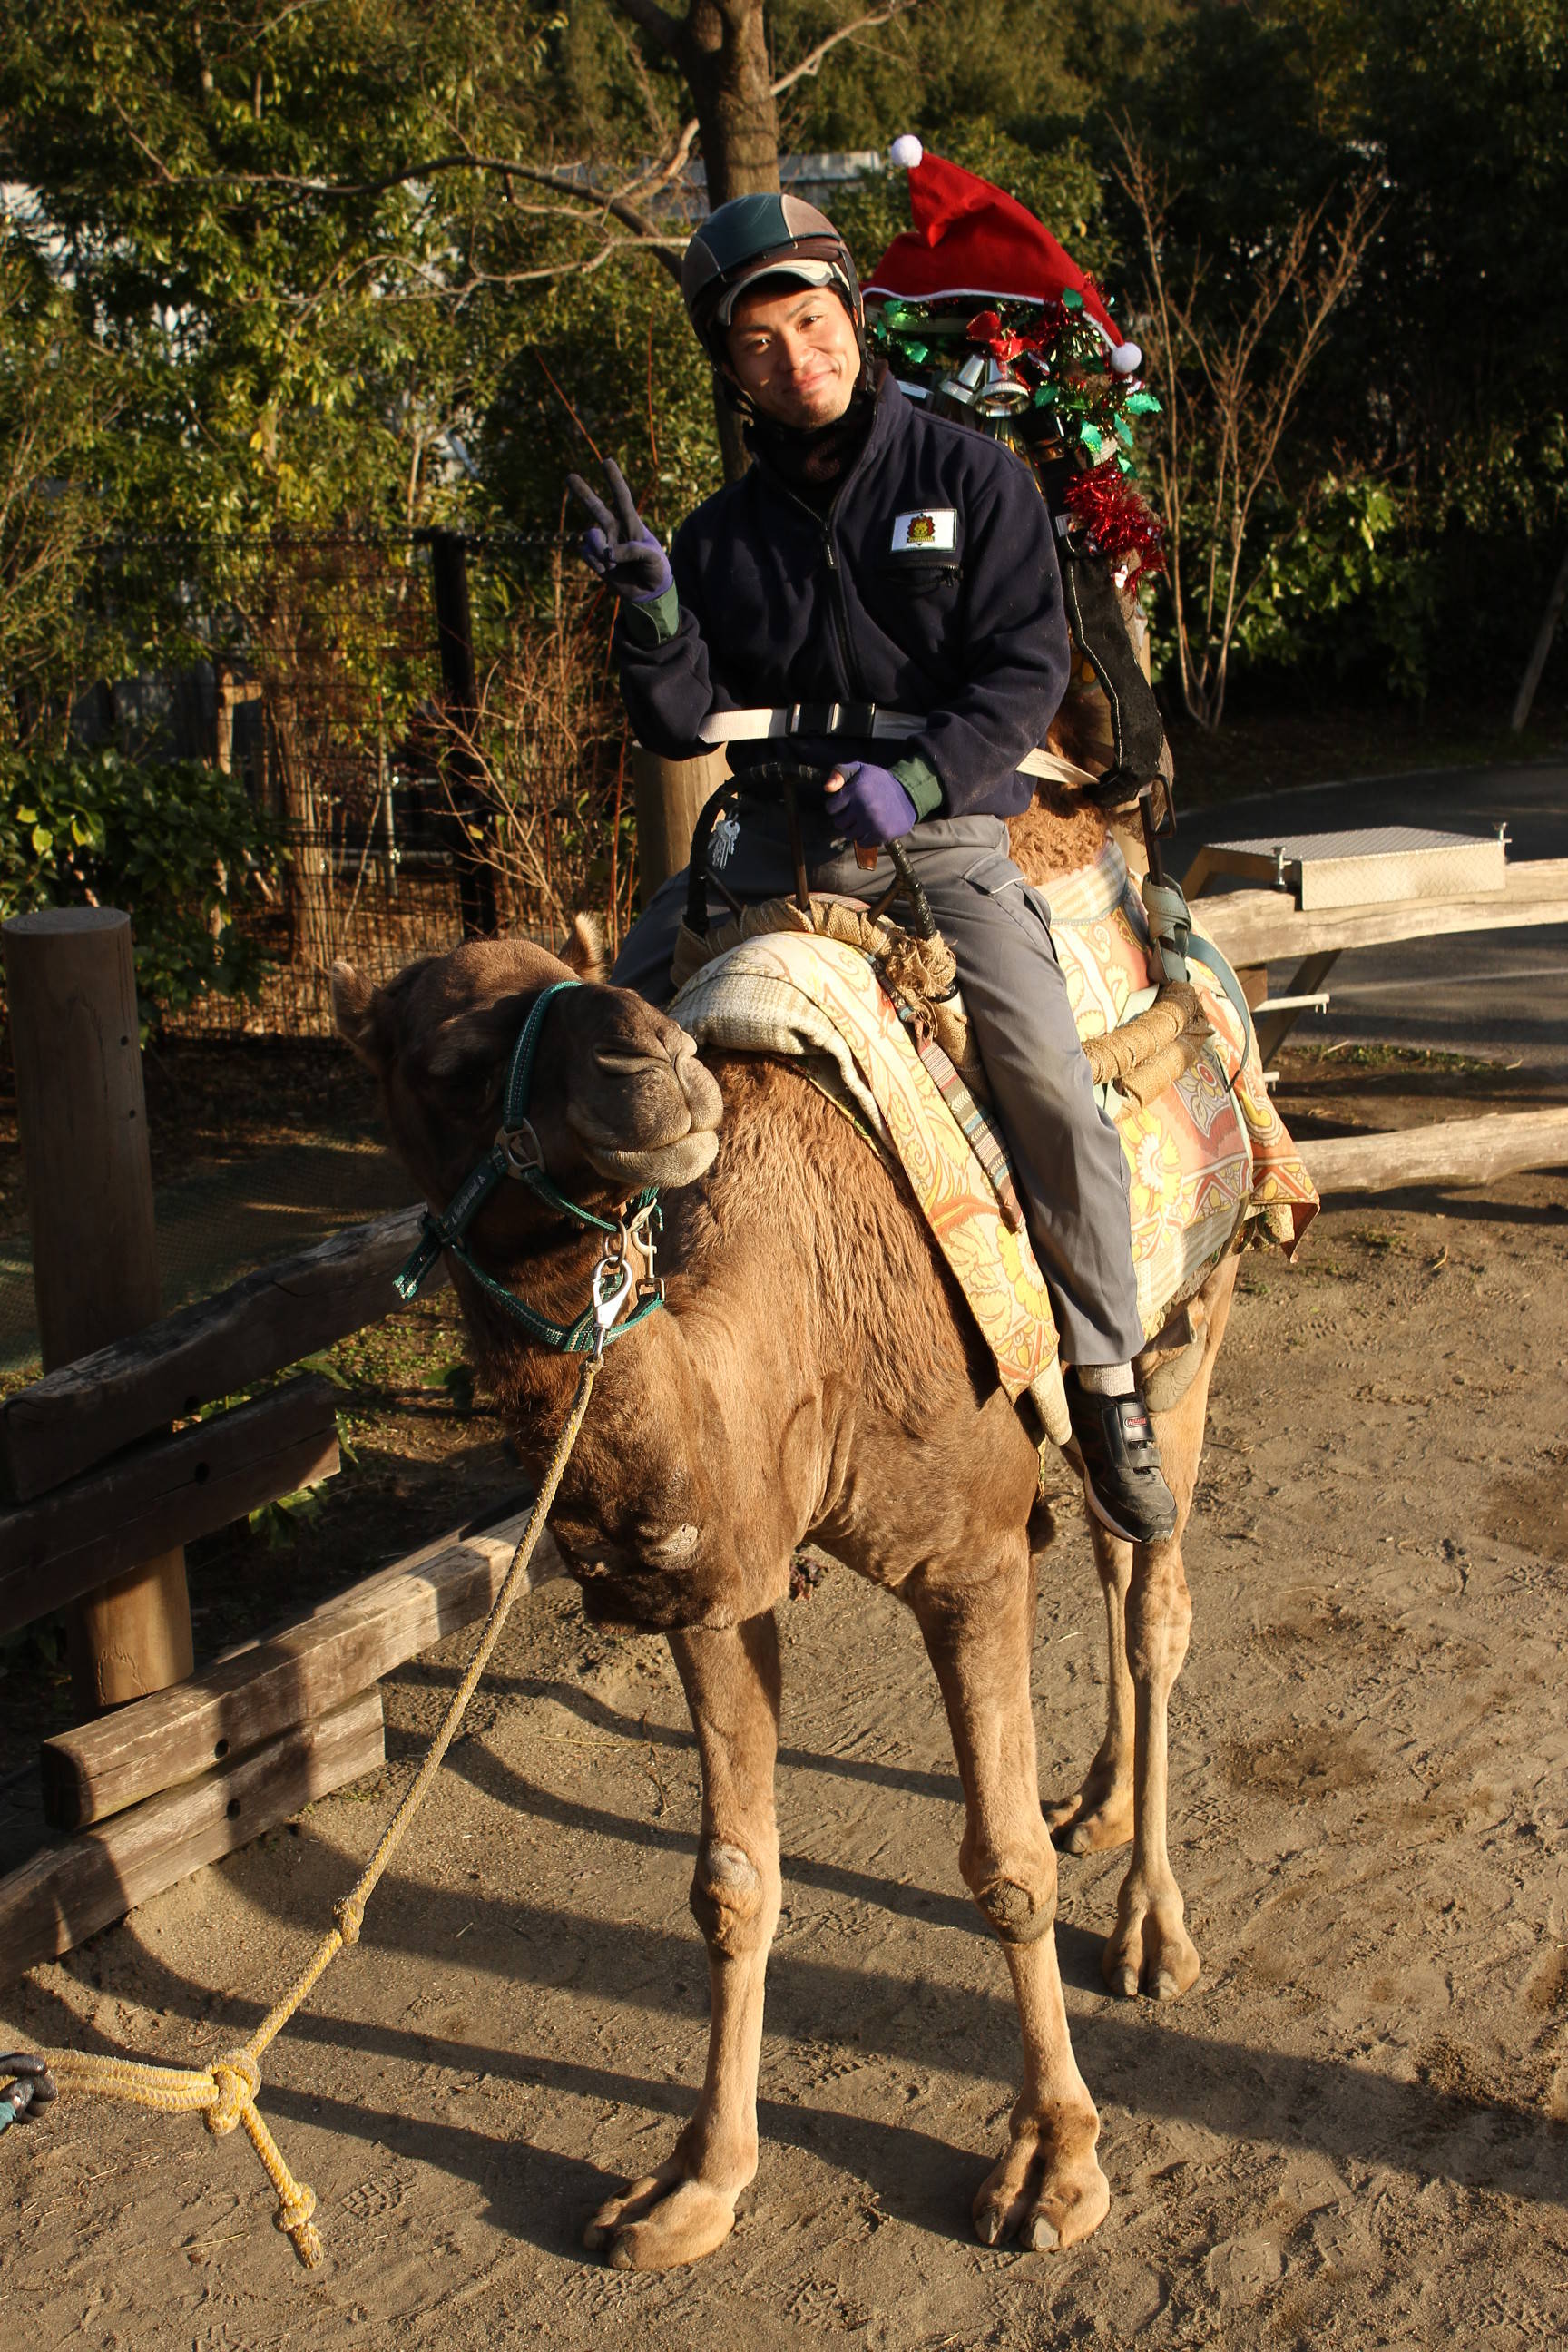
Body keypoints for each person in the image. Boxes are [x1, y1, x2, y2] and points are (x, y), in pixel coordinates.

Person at [568, 191, 1176, 1546]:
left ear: (853, 313)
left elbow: (1024, 671)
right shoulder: (721, 537)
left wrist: (921, 777)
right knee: (597, 1046)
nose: (796, 358)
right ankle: (609, 1373)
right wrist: (658, 616)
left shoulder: (971, 479)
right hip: (768, 834)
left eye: (811, 321)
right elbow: (678, 721)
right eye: (760, 344)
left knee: (1047, 1083)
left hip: (942, 832)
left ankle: (1107, 1372)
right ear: (733, 371)